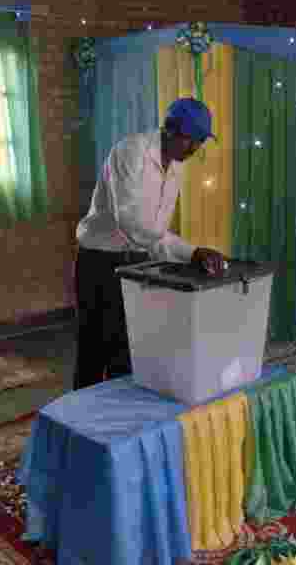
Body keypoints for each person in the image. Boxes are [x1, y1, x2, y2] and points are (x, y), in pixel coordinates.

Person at [73, 98, 227, 392]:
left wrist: (193, 253)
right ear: (169, 130)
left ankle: (124, 430)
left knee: (130, 348)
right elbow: (132, 224)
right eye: (190, 140)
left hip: (137, 261)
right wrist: (189, 252)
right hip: (100, 260)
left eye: (199, 142)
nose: (195, 149)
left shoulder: (177, 166)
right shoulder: (130, 152)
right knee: (93, 350)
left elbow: (154, 232)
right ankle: (82, 426)